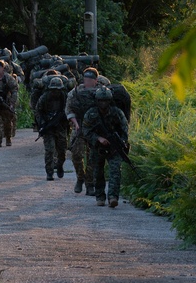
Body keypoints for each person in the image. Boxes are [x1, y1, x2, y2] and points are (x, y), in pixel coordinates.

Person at [81, 87, 130, 208]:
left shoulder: (117, 113)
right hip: (98, 147)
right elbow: (85, 130)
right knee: (98, 171)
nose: (103, 103)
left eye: (106, 100)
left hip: (114, 146)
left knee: (115, 171)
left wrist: (122, 142)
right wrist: (98, 138)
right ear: (96, 101)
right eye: (101, 100)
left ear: (110, 100)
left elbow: (124, 128)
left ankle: (113, 197)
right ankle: (100, 196)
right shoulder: (91, 114)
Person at [65, 67, 101, 195]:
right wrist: (75, 123)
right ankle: (80, 177)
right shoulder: (75, 92)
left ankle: (89, 183)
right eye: (86, 79)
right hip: (79, 126)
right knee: (76, 154)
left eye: (90, 79)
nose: (87, 81)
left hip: (94, 128)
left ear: (96, 80)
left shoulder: (100, 92)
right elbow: (69, 109)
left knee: (92, 157)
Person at [35, 76, 69, 181]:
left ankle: (59, 165)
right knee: (49, 150)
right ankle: (49, 172)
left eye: (57, 90)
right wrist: (42, 124)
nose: (55, 92)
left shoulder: (64, 97)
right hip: (48, 128)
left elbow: (69, 110)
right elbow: (38, 112)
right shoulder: (44, 98)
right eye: (53, 90)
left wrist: (64, 118)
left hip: (61, 127)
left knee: (62, 151)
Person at [0, 59, 18, 147]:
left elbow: (14, 90)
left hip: (5, 103)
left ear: (3, 68)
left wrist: (12, 103)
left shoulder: (8, 78)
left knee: (7, 122)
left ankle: (8, 138)